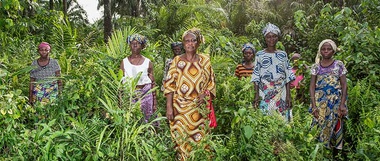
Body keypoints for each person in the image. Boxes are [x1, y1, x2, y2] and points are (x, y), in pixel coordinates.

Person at [164, 28, 216, 160]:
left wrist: (205, 95)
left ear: (198, 43)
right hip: (180, 109)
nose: (190, 43)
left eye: (193, 40)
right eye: (187, 41)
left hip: (200, 109)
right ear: (183, 43)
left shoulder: (205, 60)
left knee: (201, 140)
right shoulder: (176, 61)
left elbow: (211, 83)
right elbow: (169, 85)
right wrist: (169, 107)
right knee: (181, 140)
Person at [309, 39, 348, 156]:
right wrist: (314, 105)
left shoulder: (338, 65)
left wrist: (342, 104)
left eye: (329, 49)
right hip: (320, 102)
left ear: (333, 51)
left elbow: (344, 85)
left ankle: (335, 155)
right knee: (318, 127)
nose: (326, 51)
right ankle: (321, 154)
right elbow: (312, 86)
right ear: (320, 51)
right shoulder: (316, 67)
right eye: (323, 49)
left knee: (336, 127)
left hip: (335, 102)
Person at [251, 23, 295, 122]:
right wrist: (256, 95)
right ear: (265, 38)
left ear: (278, 38)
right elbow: (256, 76)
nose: (271, 39)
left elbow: (288, 75)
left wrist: (288, 95)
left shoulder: (283, 55)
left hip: (281, 91)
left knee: (282, 118)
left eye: (274, 36)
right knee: (265, 118)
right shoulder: (259, 55)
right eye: (268, 37)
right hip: (265, 91)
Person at [120, 34, 158, 125]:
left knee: (148, 120)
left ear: (142, 46)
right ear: (129, 45)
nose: (135, 45)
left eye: (138, 43)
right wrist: (120, 101)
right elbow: (120, 83)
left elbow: (153, 82)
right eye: (132, 43)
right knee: (131, 120)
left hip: (146, 94)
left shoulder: (147, 62)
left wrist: (155, 102)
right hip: (130, 95)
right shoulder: (124, 62)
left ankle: (149, 136)